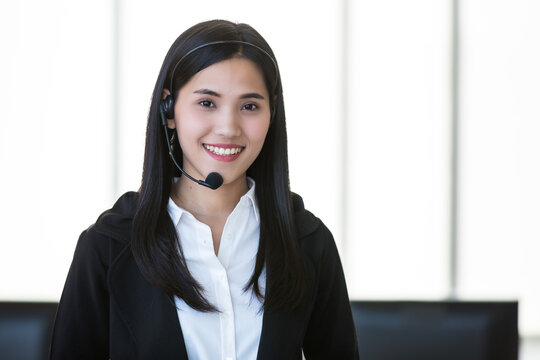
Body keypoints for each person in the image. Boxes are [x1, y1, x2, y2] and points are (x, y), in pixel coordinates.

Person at [49, 19, 359, 359]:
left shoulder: (307, 242)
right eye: (207, 103)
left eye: (249, 106)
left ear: (272, 115)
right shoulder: (110, 246)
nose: (228, 127)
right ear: (169, 110)